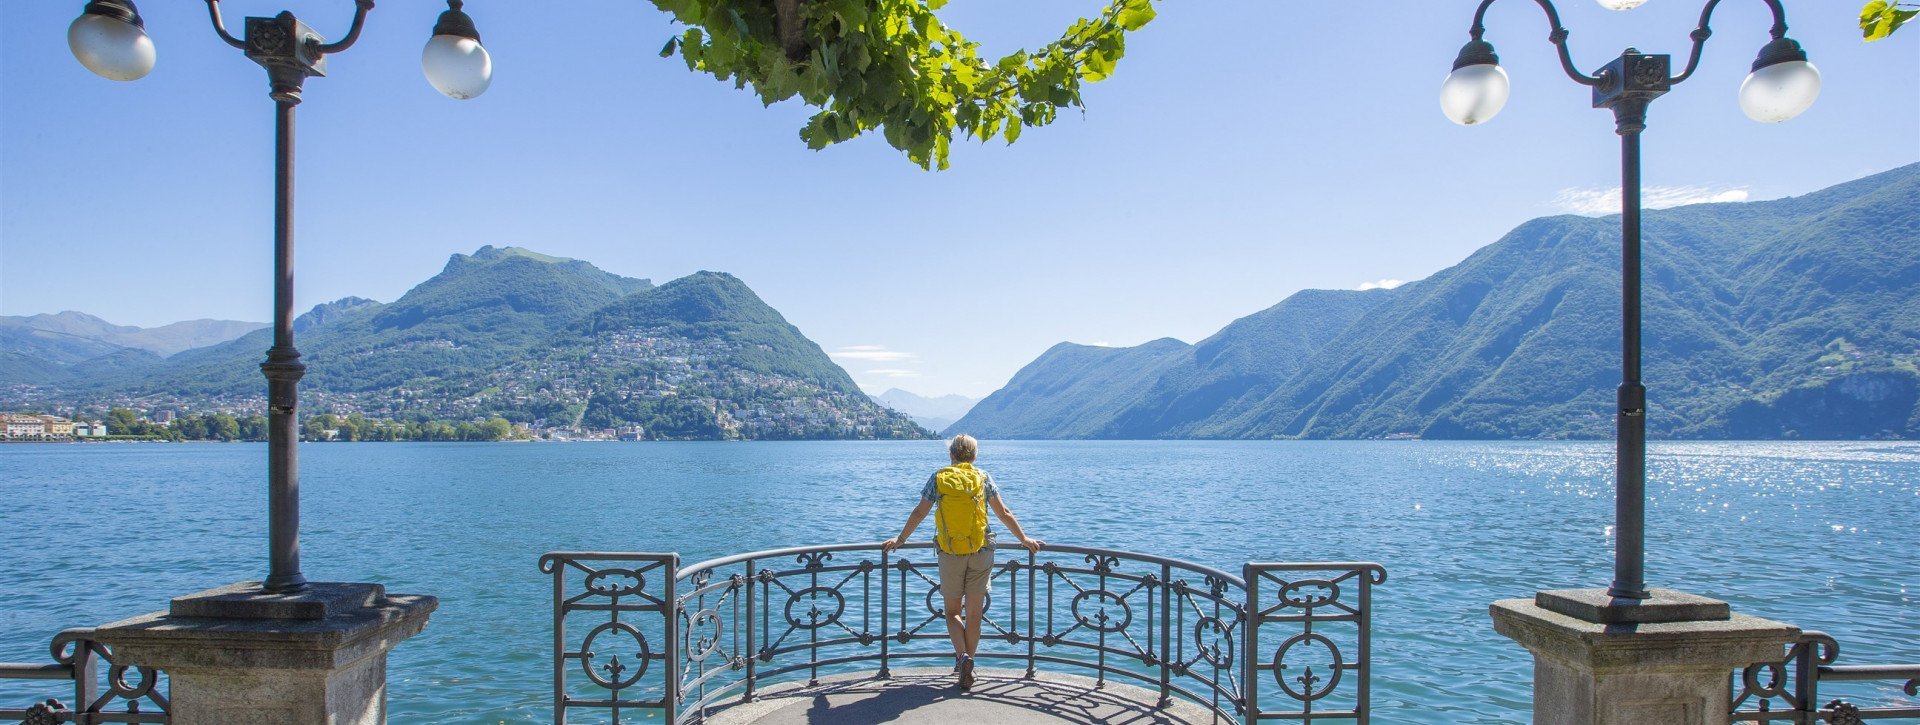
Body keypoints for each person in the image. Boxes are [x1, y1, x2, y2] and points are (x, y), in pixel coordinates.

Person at [882, 433, 1043, 692]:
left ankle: (962, 658)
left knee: (952, 612)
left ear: (951, 455)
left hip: (950, 553)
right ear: (975, 456)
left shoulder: (938, 478)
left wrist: (900, 539)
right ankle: (971, 662)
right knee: (975, 615)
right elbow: (1003, 512)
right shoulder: (983, 477)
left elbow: (919, 512)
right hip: (981, 552)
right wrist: (1023, 538)